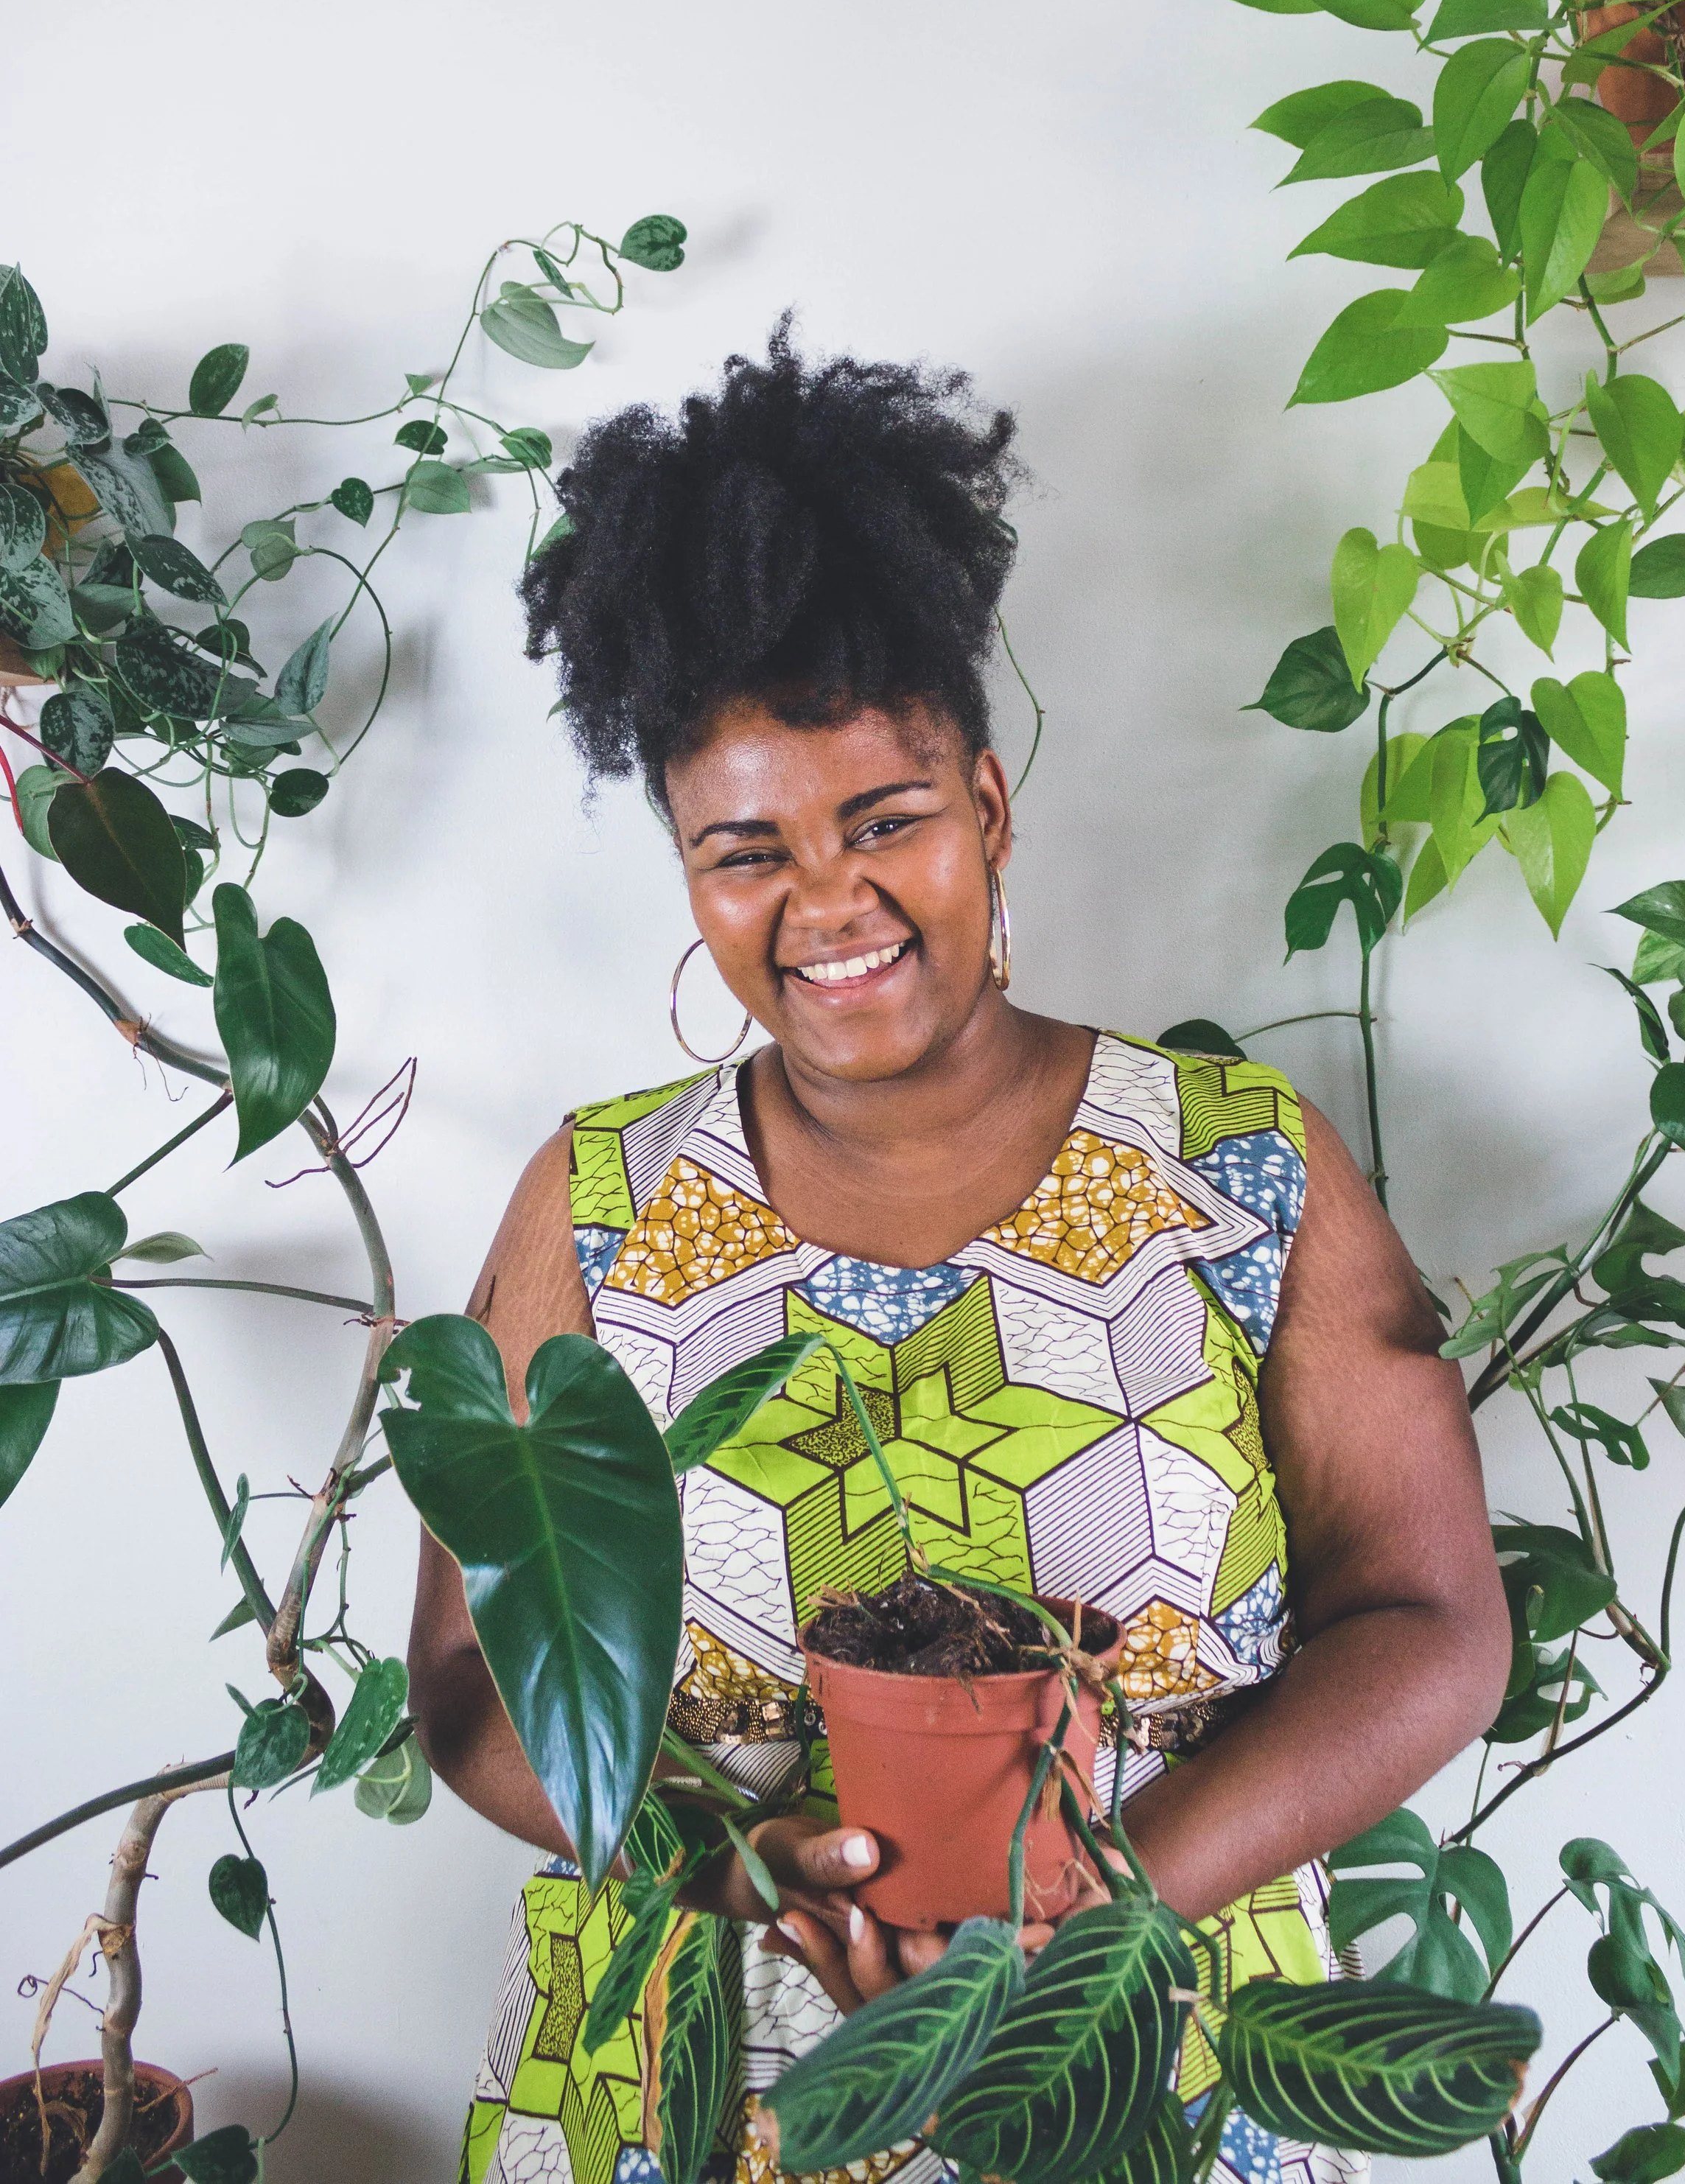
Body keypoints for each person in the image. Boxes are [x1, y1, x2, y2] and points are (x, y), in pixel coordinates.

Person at [410, 324, 1510, 2184]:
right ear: (687, 875)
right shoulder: (595, 1205)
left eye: (885, 820)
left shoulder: (1235, 1173)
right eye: (744, 849)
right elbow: (471, 1685)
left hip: (1135, 2044)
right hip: (703, 2063)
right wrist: (734, 1860)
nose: (824, 903)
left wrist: (1105, 1894)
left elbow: (1428, 1628)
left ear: (985, 819)